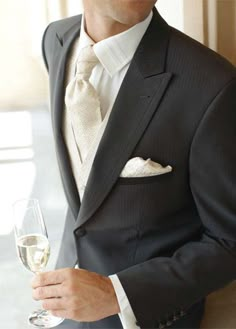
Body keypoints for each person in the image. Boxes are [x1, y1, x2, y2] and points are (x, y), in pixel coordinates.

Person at [31, 1, 236, 328]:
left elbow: (230, 241)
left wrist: (118, 294)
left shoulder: (212, 86)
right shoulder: (55, 40)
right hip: (64, 312)